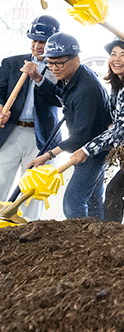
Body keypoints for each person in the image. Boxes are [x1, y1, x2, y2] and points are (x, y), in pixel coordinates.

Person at [26, 32, 111, 219]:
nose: (54, 68)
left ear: (77, 59)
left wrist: (46, 157)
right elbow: (63, 98)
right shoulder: (73, 77)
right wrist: (39, 78)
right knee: (93, 199)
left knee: (73, 201)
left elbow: (80, 136)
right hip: (88, 146)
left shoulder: (86, 89)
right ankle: (96, 241)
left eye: (59, 63)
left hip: (92, 150)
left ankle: (80, 244)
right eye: (50, 62)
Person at [67, 36, 124, 223]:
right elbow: (116, 122)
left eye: (123, 55)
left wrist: (86, 149)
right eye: (113, 54)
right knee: (112, 193)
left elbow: (122, 126)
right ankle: (110, 237)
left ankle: (116, 237)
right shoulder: (117, 85)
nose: (116, 59)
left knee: (116, 192)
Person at [0, 15, 61, 220]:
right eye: (34, 40)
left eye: (42, 42)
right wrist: (0, 107)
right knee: (1, 179)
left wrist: (39, 78)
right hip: (11, 131)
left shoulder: (59, 67)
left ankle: (28, 227)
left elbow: (59, 100)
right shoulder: (11, 63)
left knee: (32, 188)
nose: (37, 45)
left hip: (42, 136)